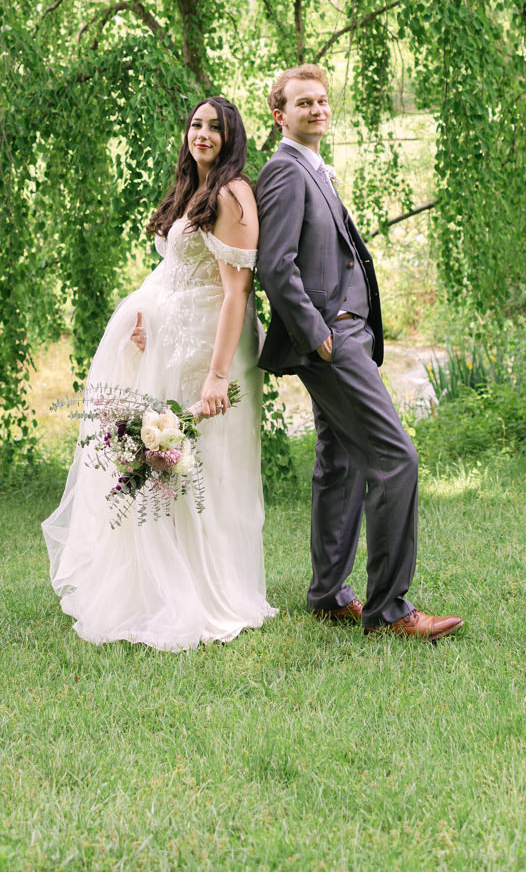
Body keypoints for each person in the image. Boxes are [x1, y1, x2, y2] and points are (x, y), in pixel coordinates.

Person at [42, 96, 276, 650]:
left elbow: (236, 290)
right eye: (196, 124)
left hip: (208, 349)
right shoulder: (191, 190)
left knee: (205, 465)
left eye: (215, 127)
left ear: (231, 135)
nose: (203, 134)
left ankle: (211, 589)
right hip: (171, 341)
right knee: (168, 465)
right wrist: (145, 317)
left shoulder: (232, 193)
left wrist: (217, 376)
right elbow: (173, 271)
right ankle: (162, 586)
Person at [255, 64, 462, 642]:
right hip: (330, 341)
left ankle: (326, 594)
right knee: (397, 460)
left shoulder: (314, 168)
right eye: (304, 103)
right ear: (281, 115)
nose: (317, 109)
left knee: (341, 461)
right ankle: (390, 609)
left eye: (322, 101)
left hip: (348, 335)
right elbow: (275, 266)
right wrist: (317, 333)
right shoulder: (284, 171)